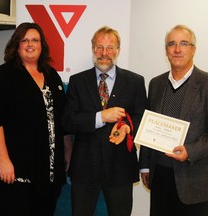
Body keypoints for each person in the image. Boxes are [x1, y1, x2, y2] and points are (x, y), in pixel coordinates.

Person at [0, 22, 72, 216]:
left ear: (42, 45)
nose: (30, 44)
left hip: (48, 170)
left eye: (35, 40)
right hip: (14, 170)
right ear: (16, 45)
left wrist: (67, 149)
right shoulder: (4, 75)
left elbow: (61, 118)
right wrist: (3, 159)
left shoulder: (52, 75)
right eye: (24, 40)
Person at [63, 26, 147, 216]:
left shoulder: (135, 81)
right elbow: (68, 121)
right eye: (99, 47)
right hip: (85, 167)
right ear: (93, 49)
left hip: (120, 167)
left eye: (110, 48)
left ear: (118, 50)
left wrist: (127, 127)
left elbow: (141, 116)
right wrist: (100, 117)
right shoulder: (77, 81)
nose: (104, 53)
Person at [139, 24, 208, 216]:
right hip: (160, 177)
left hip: (194, 179)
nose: (177, 49)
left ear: (193, 49)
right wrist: (145, 165)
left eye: (184, 43)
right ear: (166, 51)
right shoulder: (156, 83)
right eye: (172, 44)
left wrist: (191, 151)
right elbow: (149, 125)